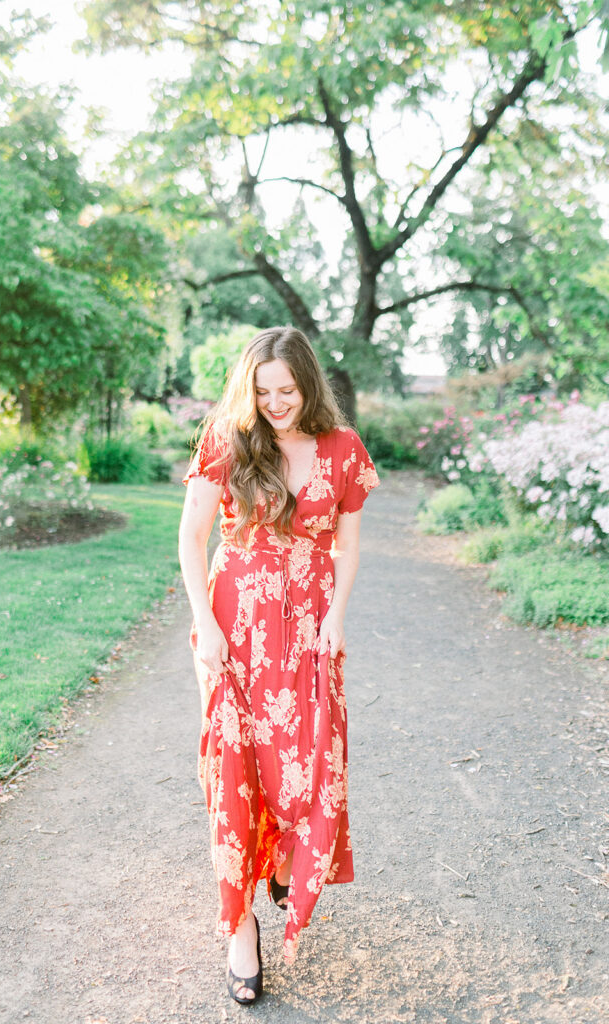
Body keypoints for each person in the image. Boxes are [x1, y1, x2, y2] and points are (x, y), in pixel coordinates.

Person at [178, 325, 379, 1005]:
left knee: (307, 757)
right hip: (235, 624)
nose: (273, 403)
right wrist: (203, 624)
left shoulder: (342, 449)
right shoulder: (227, 438)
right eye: (262, 391)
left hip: (310, 627)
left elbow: (346, 547)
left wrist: (335, 615)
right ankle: (238, 927)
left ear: (307, 384)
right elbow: (192, 534)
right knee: (234, 769)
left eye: (285, 390)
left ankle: (287, 860)